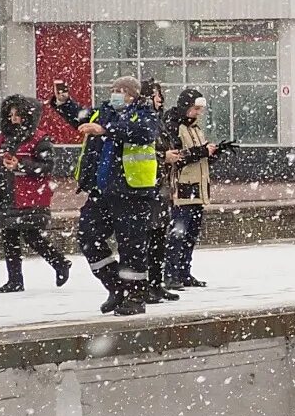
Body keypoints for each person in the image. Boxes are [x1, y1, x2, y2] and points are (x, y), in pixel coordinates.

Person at [55, 75, 163, 315]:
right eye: (113, 89)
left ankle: (136, 295)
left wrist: (106, 129)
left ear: (133, 95)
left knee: (131, 247)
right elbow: (82, 118)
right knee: (88, 238)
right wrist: (64, 103)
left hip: (131, 193)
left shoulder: (144, 114)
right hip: (101, 191)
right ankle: (116, 286)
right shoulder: (103, 112)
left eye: (121, 90)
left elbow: (144, 132)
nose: (115, 93)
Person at [0, 95, 72, 291]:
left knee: (32, 236)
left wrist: (21, 165)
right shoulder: (3, 138)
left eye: (18, 115)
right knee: (9, 237)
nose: (14, 119)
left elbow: (47, 166)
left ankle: (59, 262)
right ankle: (15, 280)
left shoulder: (39, 138)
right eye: (11, 114)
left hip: (29, 195)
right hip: (7, 193)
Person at [163, 89, 224, 290]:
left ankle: (184, 271)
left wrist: (213, 153)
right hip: (181, 189)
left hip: (198, 188)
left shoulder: (195, 129)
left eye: (200, 109)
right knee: (178, 233)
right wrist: (201, 152)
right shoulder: (174, 127)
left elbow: (197, 156)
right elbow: (176, 157)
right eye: (195, 108)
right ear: (186, 106)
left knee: (190, 234)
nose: (198, 113)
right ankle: (171, 274)